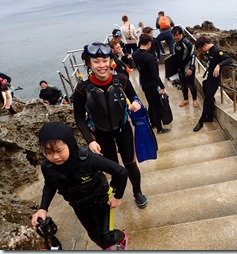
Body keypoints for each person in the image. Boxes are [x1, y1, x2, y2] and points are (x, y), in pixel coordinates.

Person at [31, 122, 129, 250]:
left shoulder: (88, 159)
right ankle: (107, 246)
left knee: (106, 236)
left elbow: (121, 172)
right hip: (78, 205)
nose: (55, 156)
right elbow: (50, 185)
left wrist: (117, 197)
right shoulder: (47, 167)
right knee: (94, 235)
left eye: (59, 150)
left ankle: (123, 237)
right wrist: (43, 208)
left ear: (70, 144)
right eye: (48, 152)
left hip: (100, 200)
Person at [73, 42, 148, 208]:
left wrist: (136, 104)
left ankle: (137, 191)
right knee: (113, 166)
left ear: (110, 61)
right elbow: (78, 116)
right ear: (89, 64)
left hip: (123, 129)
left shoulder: (121, 79)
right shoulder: (82, 88)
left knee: (130, 164)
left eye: (105, 60)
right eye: (96, 61)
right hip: (101, 133)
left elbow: (135, 98)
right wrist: (90, 140)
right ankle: (116, 182)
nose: (102, 66)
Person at [132, 34, 171, 134]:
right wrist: (162, 87)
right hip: (152, 84)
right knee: (156, 106)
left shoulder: (135, 54)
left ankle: (153, 123)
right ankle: (159, 129)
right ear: (149, 43)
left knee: (151, 104)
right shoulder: (149, 57)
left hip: (144, 83)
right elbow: (155, 75)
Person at [193, 36, 232, 132]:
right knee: (205, 86)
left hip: (215, 80)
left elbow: (229, 59)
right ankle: (209, 116)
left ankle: (201, 121)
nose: (201, 50)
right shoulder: (209, 51)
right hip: (209, 78)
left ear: (206, 45)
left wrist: (219, 65)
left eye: (201, 48)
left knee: (207, 100)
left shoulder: (216, 51)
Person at [172, 26, 198, 108]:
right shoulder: (175, 45)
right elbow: (175, 57)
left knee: (191, 85)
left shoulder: (187, 43)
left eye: (177, 35)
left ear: (181, 34)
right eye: (174, 35)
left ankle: (194, 100)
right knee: (183, 85)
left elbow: (193, 56)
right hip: (180, 68)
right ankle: (186, 99)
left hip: (188, 67)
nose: (176, 37)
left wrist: (191, 68)